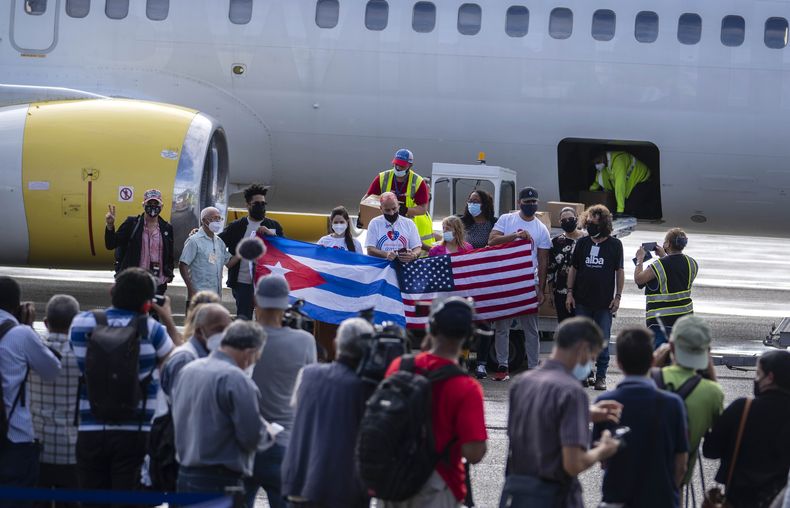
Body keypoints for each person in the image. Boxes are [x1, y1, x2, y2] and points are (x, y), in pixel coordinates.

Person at [69, 267, 175, 502]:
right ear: (148, 302)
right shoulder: (153, 330)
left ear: (112, 291)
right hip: (135, 432)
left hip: (90, 429)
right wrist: (166, 317)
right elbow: (174, 365)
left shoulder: (82, 324)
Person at [500, 317, 622, 508]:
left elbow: (539, 418)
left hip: (517, 494)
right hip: (553, 497)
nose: (590, 365)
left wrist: (585, 413)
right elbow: (573, 464)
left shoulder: (522, 383)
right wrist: (603, 450)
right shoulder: (572, 392)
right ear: (582, 348)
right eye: (592, 358)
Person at [381, 297, 487, 508]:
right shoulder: (466, 387)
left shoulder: (399, 366)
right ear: (469, 338)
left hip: (393, 478)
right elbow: (474, 453)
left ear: (431, 328)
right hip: (438, 484)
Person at [282, 318, 377, 508]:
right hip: (342, 490)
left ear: (335, 343)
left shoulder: (308, 375)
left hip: (300, 482)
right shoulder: (365, 388)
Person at [172, 320, 274, 495]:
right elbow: (251, 437)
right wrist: (268, 433)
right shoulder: (237, 380)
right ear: (249, 353)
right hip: (220, 481)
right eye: (256, 359)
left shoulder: (188, 370)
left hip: (184, 475)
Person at [592, 327, 689, 508]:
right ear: (653, 360)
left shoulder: (605, 403)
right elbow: (681, 463)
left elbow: (602, 459)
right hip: (661, 499)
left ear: (618, 363)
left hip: (617, 497)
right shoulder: (673, 404)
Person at [245, 275, 317, 508]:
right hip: (284, 443)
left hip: (243, 442)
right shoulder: (305, 341)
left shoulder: (241, 338)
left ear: (256, 299)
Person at [0, 278, 61, 508]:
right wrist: (26, 327)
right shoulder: (22, 334)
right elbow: (52, 370)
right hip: (14, 437)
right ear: (17, 305)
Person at [703, 350, 790, 508]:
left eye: (758, 374)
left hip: (738, 498)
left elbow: (710, 451)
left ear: (770, 378)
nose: (756, 379)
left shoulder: (743, 409)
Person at [651, 315, 724, 487]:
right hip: (678, 481)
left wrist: (653, 363)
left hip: (640, 480)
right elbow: (716, 444)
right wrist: (711, 371)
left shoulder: (651, 379)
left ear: (672, 347)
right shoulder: (713, 392)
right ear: (706, 352)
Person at [487, 186, 551, 380]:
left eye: (534, 202)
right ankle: (502, 365)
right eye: (527, 202)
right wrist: (515, 236)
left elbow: (543, 261)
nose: (531, 205)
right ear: (519, 203)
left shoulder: (541, 229)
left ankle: (533, 367)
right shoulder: (507, 220)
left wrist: (540, 290)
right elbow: (492, 241)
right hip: (504, 280)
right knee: (502, 326)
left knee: (530, 328)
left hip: (527, 282)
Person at [28, 295, 81, 508]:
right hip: (71, 450)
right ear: (75, 323)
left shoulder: (31, 351)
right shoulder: (82, 354)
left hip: (36, 448)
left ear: (46, 323)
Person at [565, 204, 624, 391]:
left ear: (604, 224)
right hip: (582, 301)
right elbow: (574, 269)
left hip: (604, 303)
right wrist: (569, 292)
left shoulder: (615, 245)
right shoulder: (582, 243)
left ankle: (601, 377)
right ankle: (583, 374)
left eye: (594, 224)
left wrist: (618, 297)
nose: (590, 226)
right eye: (588, 222)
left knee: (602, 341)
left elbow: (619, 271)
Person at [219, 184, 285, 320]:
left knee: (267, 320)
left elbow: (284, 249)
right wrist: (199, 232)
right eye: (256, 204)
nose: (260, 207)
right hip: (243, 282)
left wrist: (271, 235)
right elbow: (217, 242)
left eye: (263, 203)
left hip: (266, 282)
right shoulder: (236, 226)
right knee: (244, 319)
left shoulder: (274, 226)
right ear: (247, 205)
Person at [634, 228, 699, 348]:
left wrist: (640, 259)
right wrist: (664, 255)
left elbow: (639, 279)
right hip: (685, 320)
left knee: (660, 360)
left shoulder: (659, 265)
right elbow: (674, 269)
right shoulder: (692, 263)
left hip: (661, 322)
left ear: (668, 244)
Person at [105, 189, 174, 295]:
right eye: (149, 203)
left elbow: (170, 254)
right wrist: (110, 226)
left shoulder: (167, 228)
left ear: (161, 206)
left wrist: (169, 273)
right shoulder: (132, 224)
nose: (153, 206)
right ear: (143, 205)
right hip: (134, 281)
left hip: (158, 283)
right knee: (133, 311)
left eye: (156, 203)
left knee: (154, 311)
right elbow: (111, 244)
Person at [363, 148, 435, 248]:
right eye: (396, 164)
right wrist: (363, 214)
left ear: (410, 165)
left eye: (402, 165)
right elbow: (366, 200)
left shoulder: (418, 182)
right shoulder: (383, 177)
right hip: (384, 224)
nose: (398, 167)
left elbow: (423, 209)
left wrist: (406, 210)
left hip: (405, 226)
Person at [160, 303, 232, 398]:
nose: (224, 334)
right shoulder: (184, 359)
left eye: (228, 329)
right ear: (199, 331)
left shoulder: (210, 354)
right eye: (218, 329)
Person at [179, 206, 239, 303]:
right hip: (198, 296)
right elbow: (183, 264)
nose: (218, 221)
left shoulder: (219, 242)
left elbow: (228, 263)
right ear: (204, 220)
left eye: (219, 218)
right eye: (215, 218)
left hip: (215, 297)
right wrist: (190, 289)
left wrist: (241, 253)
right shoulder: (194, 241)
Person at [547, 207, 586, 323]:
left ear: (576, 218)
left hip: (583, 292)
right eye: (564, 220)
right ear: (560, 222)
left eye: (571, 219)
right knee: (565, 327)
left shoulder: (587, 240)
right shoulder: (556, 242)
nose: (567, 222)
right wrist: (550, 293)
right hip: (561, 292)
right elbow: (551, 269)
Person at [590, 150, 651, 216]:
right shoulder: (603, 166)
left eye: (598, 162)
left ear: (603, 157)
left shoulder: (618, 162)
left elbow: (620, 187)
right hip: (630, 183)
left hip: (642, 179)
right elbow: (597, 180)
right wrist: (590, 192)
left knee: (630, 209)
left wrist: (620, 211)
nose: (597, 165)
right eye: (595, 163)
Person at [365, 192, 422, 262]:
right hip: (382, 268)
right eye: (387, 210)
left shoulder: (409, 223)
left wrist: (413, 255)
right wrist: (386, 254)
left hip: (404, 267)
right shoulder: (374, 223)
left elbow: (417, 248)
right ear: (381, 209)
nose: (391, 213)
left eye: (394, 209)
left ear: (398, 206)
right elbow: (370, 249)